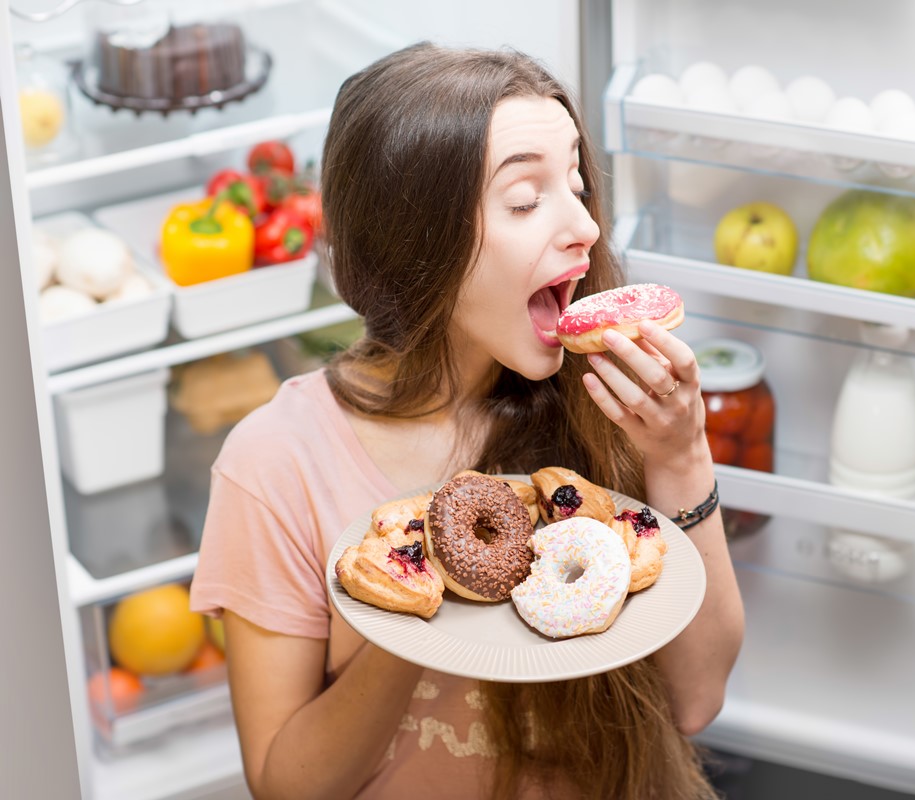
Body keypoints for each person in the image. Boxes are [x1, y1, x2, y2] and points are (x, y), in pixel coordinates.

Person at [189, 41, 744, 800]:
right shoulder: (278, 461)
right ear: (416, 240)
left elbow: (697, 698)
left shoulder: (611, 406)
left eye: (577, 184)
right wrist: (418, 599)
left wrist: (682, 457)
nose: (584, 225)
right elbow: (290, 786)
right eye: (524, 200)